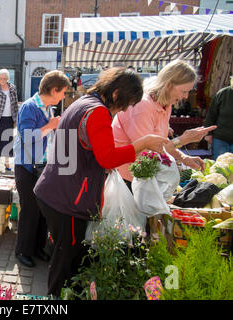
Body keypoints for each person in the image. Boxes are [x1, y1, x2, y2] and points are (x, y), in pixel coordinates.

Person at [33, 67, 169, 297]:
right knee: (67, 257)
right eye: (125, 104)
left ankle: (59, 293)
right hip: (67, 199)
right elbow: (107, 158)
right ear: (116, 94)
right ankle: (56, 297)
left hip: (56, 190)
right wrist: (143, 142)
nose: (123, 110)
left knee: (64, 251)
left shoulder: (84, 101)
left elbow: (94, 150)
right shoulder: (97, 112)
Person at [112, 59, 216, 189]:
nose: (186, 96)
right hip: (126, 180)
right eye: (184, 91)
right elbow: (146, 152)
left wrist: (184, 158)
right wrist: (183, 139)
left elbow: (161, 143)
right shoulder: (142, 106)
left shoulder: (165, 105)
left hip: (142, 177)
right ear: (169, 85)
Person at [13, 70, 70, 268]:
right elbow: (28, 137)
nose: (64, 96)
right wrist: (50, 125)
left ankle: (37, 248)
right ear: (54, 90)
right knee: (30, 211)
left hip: (42, 166)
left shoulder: (47, 108)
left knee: (42, 211)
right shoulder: (29, 107)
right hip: (27, 167)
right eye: (62, 92)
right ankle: (23, 251)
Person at [204, 76, 233, 160]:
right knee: (220, 166)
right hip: (221, 138)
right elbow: (211, 115)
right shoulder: (223, 93)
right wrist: (208, 134)